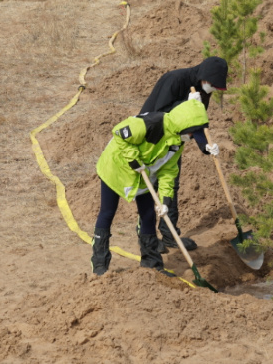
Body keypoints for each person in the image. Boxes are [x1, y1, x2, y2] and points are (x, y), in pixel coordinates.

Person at [91, 99, 210, 276]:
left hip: (143, 174)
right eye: (192, 134)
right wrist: (133, 159)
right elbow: (119, 133)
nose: (192, 138)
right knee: (108, 212)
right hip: (116, 168)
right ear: (184, 126)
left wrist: (165, 201)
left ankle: (152, 264)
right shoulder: (151, 124)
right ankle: (100, 264)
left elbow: (168, 171)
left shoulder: (177, 142)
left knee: (148, 215)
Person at [139, 57, 229, 252]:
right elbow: (160, 113)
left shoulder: (203, 91)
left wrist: (207, 147)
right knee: (150, 186)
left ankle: (170, 234)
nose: (213, 90)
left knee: (172, 185)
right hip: (153, 140)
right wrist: (184, 103)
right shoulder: (174, 80)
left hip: (175, 142)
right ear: (205, 77)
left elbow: (196, 123)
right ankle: (147, 239)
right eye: (213, 85)